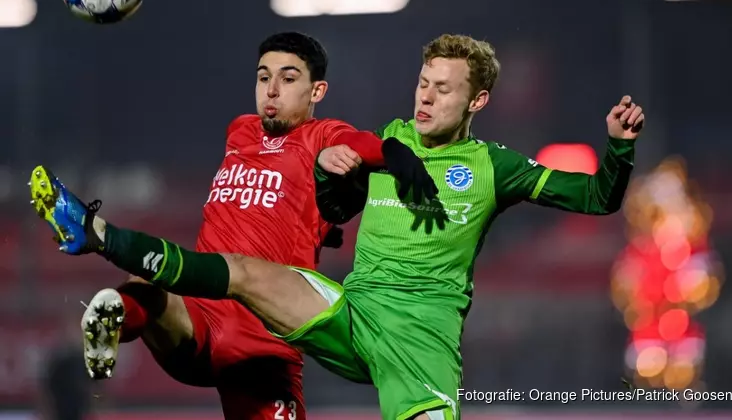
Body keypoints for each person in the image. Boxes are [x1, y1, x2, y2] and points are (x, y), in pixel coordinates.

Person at [31, 34, 643, 420]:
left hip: (418, 339)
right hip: (350, 311)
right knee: (246, 274)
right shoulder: (388, 137)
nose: (425, 97)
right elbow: (338, 189)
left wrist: (618, 149)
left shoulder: (495, 166)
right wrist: (336, 173)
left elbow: (598, 197)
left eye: (443, 89)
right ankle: (101, 236)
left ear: (476, 102)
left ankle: (117, 268)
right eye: (422, 82)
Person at [34, 31, 436, 420]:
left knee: (154, 269)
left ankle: (98, 243)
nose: (272, 90)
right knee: (145, 281)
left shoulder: (322, 136)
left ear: (317, 92)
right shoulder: (240, 130)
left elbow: (358, 145)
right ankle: (113, 321)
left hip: (263, 338)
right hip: (199, 318)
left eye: (288, 78)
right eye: (264, 77)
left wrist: (392, 152)